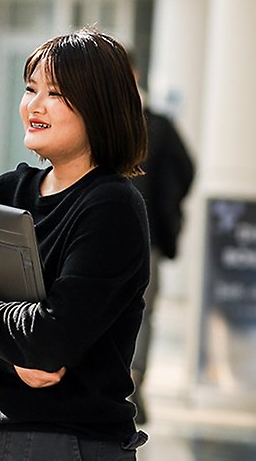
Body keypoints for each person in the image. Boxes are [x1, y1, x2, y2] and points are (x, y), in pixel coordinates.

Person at [0, 28, 151, 460]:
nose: (34, 105)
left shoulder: (111, 207)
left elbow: (50, 339)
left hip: (72, 443)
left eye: (55, 93)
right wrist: (10, 363)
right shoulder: (6, 193)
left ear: (99, 105)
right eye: (30, 88)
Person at [128, 73, 195, 424]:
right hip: (106, 234)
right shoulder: (97, 119)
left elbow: (186, 169)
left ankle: (133, 382)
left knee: (141, 312)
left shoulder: (159, 125)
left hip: (148, 237)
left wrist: (167, 209)